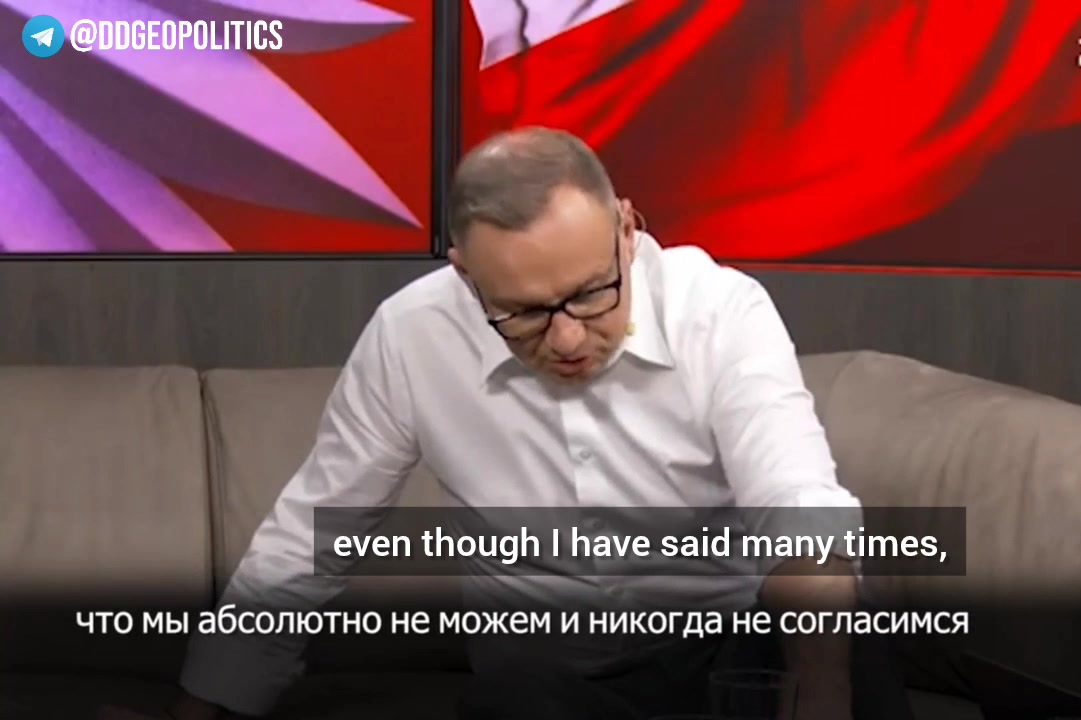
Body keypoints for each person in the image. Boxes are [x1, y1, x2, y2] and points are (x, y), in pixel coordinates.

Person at [101, 127, 915, 720]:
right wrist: (199, 709)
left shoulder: (721, 310)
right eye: (522, 313)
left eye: (592, 293)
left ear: (628, 230)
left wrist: (822, 698)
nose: (567, 339)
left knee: (848, 632)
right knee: (517, 702)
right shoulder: (413, 333)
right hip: (549, 683)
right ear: (465, 276)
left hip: (727, 648)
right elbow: (315, 534)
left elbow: (797, 510)